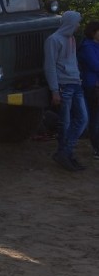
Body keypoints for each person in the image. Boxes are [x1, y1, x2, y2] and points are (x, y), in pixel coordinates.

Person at [44, 10, 88, 171]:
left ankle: (65, 152)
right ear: (70, 22)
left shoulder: (71, 39)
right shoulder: (53, 40)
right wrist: (55, 90)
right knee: (65, 122)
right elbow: (49, 65)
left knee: (82, 119)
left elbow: (73, 61)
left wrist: (78, 76)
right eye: (77, 22)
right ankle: (65, 155)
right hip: (64, 85)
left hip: (75, 82)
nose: (78, 26)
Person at [77, 20, 99, 159]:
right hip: (92, 86)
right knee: (95, 119)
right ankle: (97, 148)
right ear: (93, 32)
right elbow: (95, 65)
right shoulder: (87, 47)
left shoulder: (95, 45)